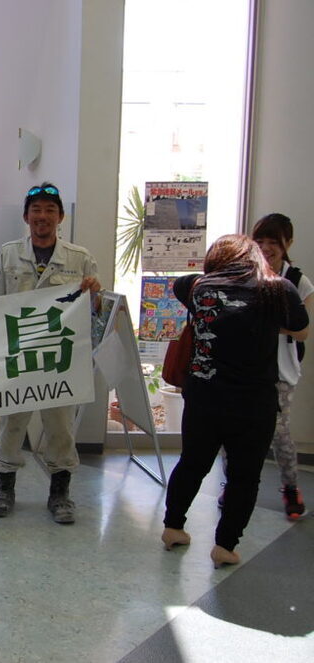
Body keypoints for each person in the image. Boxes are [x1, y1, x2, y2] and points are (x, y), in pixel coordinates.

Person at [161, 235, 308, 567]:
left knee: (192, 463)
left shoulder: (198, 287)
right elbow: (301, 329)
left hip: (204, 397)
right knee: (244, 475)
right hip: (253, 402)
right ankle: (225, 547)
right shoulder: (278, 288)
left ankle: (173, 528)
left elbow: (181, 283)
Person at [0, 183, 100, 524]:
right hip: (17, 357)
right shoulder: (8, 255)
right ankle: (4, 489)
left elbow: (94, 311)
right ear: (26, 217)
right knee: (11, 424)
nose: (43, 216)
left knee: (60, 427)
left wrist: (94, 293)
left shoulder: (79, 258)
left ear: (60, 217)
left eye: (50, 210)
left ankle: (60, 494)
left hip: (59, 359)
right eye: (36, 210)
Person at [251, 214, 313, 518]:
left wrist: (270, 326)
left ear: (288, 243)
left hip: (281, 370)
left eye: (273, 242)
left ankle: (290, 488)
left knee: (279, 432)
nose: (266, 248)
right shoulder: (245, 274)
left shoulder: (298, 281)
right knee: (236, 429)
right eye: (260, 241)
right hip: (244, 367)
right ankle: (233, 484)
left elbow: (303, 332)